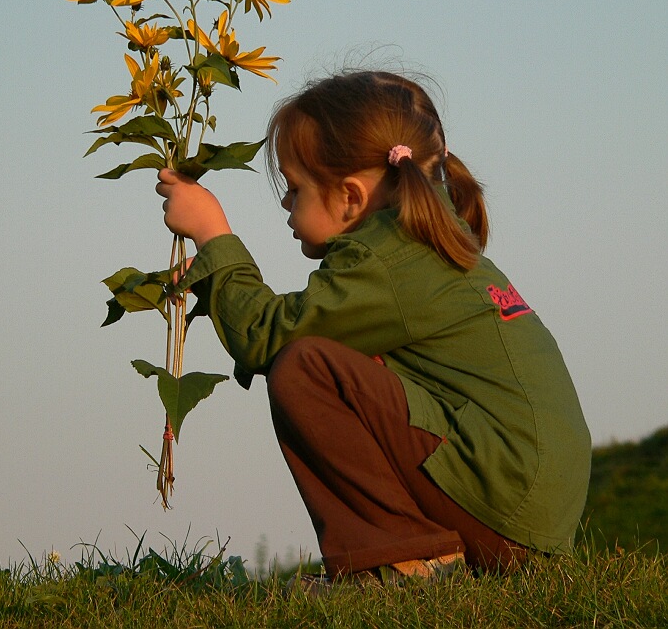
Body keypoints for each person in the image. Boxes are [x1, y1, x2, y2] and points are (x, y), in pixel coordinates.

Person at [155, 70, 591, 588]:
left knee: (305, 367)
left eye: (294, 188)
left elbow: (268, 337)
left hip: (505, 505)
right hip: (525, 509)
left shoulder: (387, 257)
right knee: (344, 362)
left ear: (351, 197)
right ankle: (419, 555)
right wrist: (217, 284)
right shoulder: (422, 245)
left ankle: (400, 563)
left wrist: (212, 234)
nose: (285, 205)